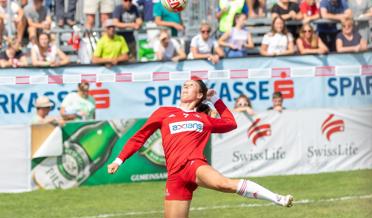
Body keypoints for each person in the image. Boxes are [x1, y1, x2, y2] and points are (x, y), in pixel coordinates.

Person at [108, 78, 294, 218]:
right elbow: (139, 137)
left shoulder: (203, 119)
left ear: (199, 95)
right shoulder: (164, 113)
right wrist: (119, 159)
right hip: (174, 176)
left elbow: (230, 123)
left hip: (194, 165)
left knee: (223, 183)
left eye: (190, 85)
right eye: (185, 85)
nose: (185, 86)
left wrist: (217, 100)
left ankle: (277, 198)